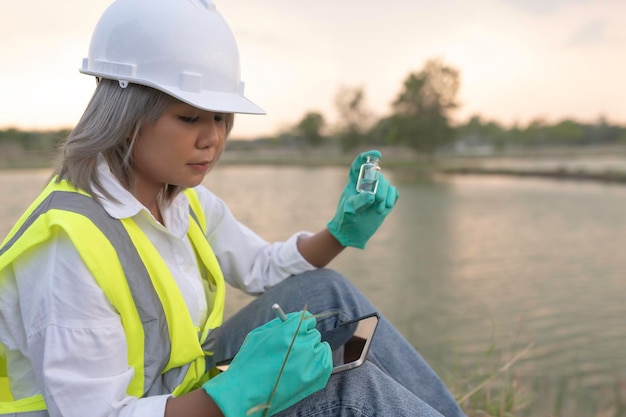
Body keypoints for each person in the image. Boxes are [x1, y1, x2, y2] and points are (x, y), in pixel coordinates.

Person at [0, 0, 466, 416]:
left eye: (222, 118)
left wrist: (339, 233)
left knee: (326, 291)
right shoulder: (67, 248)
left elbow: (264, 268)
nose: (213, 139)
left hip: (181, 389)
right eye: (190, 118)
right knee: (346, 385)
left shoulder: (185, 202)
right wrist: (235, 395)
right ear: (125, 116)